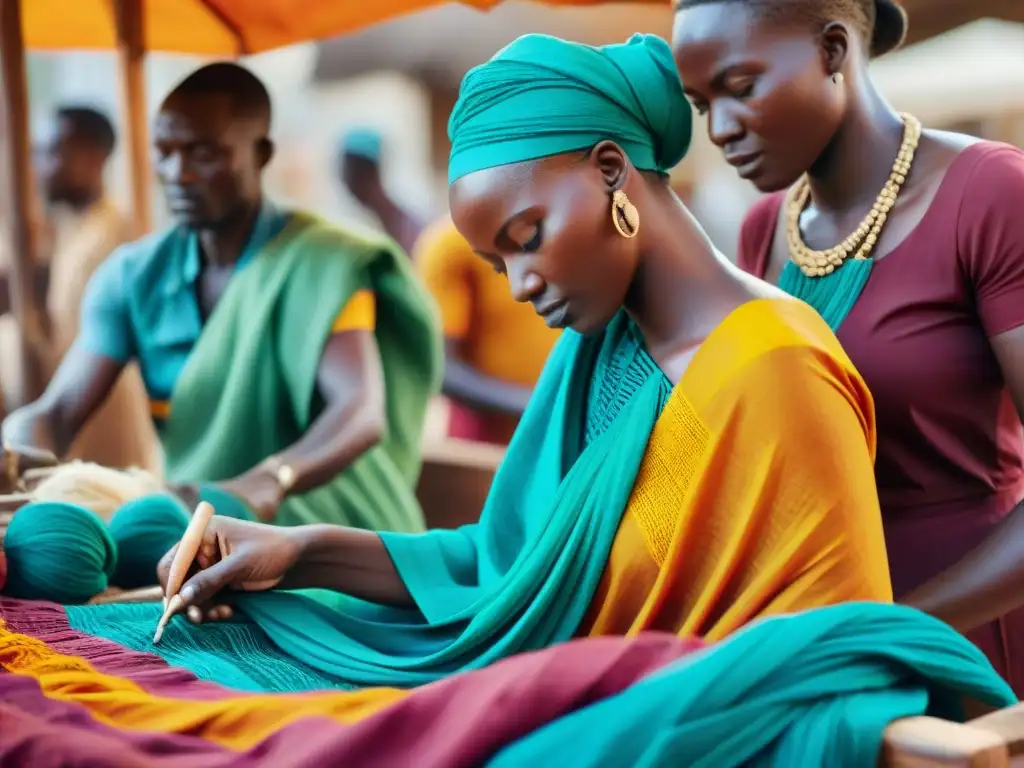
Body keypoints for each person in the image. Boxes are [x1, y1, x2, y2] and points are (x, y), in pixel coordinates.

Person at [101, 34, 888, 665]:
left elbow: (825, 659)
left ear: (611, 168)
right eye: (496, 264)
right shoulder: (605, 352)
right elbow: (500, 563)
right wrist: (297, 551)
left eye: (527, 238)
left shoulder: (777, 371)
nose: (517, 285)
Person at [672, 0, 1024, 691]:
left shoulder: (988, 196)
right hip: (813, 629)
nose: (719, 128)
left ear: (834, 50)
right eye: (700, 104)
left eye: (741, 88)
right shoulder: (765, 233)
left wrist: (885, 627)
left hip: (968, 625)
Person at [1, 64, 441, 532]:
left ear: (261, 153)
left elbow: (359, 411)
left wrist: (271, 479)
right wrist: (18, 448)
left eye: (204, 153)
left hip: (335, 536)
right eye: (165, 152)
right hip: (200, 534)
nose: (179, 173)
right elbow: (60, 412)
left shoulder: (322, 263)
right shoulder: (133, 277)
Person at [0, 108, 158, 471]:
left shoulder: (116, 232)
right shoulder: (70, 228)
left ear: (93, 158)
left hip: (105, 415)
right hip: (67, 410)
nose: (41, 166)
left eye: (53, 152)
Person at [414, 216, 560, 444]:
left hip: (565, 435)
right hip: (487, 440)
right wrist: (536, 406)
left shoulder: (572, 234)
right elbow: (441, 366)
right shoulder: (453, 244)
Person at [337, 129, 424, 256]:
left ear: (367, 172)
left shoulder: (412, 231)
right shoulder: (365, 226)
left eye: (349, 172)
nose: (345, 182)